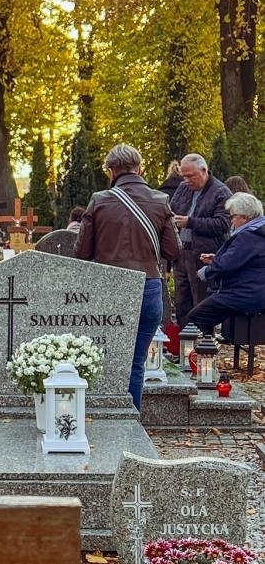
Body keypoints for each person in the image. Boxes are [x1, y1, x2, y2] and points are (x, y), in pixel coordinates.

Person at [75, 143, 180, 409]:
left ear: (112, 171)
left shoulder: (99, 201)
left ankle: (98, 416)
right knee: (135, 362)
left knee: (100, 357)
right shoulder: (160, 201)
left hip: (109, 287)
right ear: (139, 167)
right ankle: (129, 422)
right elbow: (173, 249)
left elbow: (82, 251)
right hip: (148, 286)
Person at [188, 193, 265, 333]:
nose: (231, 221)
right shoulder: (259, 231)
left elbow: (226, 265)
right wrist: (216, 258)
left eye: (233, 216)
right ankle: (209, 345)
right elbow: (244, 260)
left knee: (196, 316)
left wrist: (204, 272)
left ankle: (204, 350)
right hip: (255, 290)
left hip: (245, 293)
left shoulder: (248, 235)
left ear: (245, 217)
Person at [170, 154, 230, 327]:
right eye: (183, 175)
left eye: (190, 176)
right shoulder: (183, 188)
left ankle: (204, 343)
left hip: (204, 256)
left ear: (204, 171)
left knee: (201, 302)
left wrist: (191, 222)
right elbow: (171, 210)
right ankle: (184, 347)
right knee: (181, 303)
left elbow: (223, 224)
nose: (186, 180)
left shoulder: (221, 192)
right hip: (181, 254)